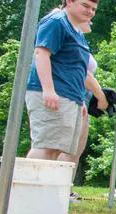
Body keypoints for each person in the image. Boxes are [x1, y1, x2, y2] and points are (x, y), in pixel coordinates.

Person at [24, 0, 97, 161]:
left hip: (71, 97)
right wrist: (48, 90)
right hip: (53, 94)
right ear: (69, 2)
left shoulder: (76, 30)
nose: (90, 11)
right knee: (46, 147)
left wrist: (80, 100)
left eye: (93, 9)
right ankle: (29, 186)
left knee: (56, 149)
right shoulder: (57, 22)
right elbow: (41, 54)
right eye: (85, 6)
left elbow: (75, 69)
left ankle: (46, 186)